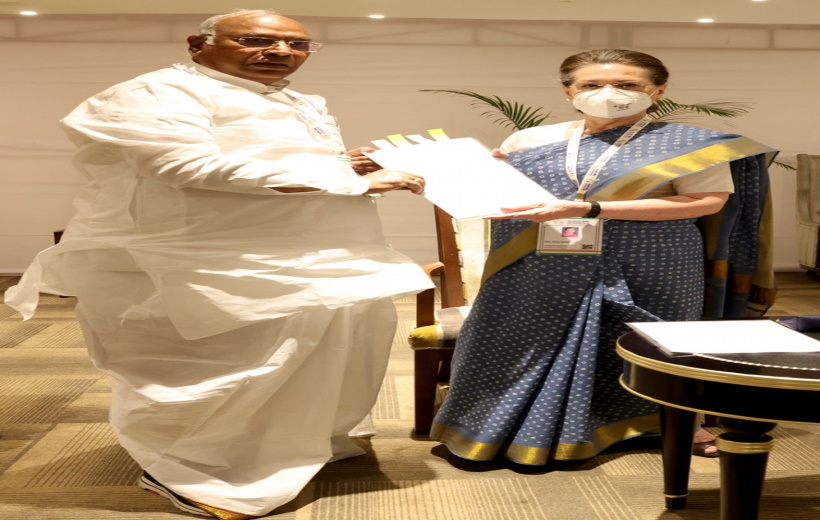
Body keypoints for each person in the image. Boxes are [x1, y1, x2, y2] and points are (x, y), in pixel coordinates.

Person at [4, 9, 433, 519]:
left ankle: (286, 448)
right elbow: (183, 165)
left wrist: (346, 164)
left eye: (299, 46)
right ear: (197, 42)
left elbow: (277, 158)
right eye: (256, 40)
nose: (280, 53)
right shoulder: (156, 93)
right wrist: (352, 181)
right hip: (204, 255)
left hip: (310, 253)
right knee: (228, 363)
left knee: (323, 346)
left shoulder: (291, 97)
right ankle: (194, 470)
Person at [430, 49, 776, 465]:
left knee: (650, 343)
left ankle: (674, 423)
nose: (608, 93)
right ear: (569, 92)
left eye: (628, 85)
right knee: (523, 339)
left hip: (651, 257)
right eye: (591, 85)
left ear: (658, 91)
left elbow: (705, 201)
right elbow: (504, 196)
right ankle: (503, 424)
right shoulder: (529, 141)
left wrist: (591, 209)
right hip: (543, 258)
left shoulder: (688, 144)